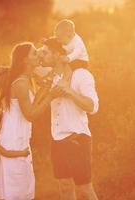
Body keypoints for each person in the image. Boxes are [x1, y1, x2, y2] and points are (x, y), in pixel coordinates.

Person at [0, 42, 60, 200]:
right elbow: (30, 115)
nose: (38, 55)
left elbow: (31, 103)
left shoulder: (25, 79)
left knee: (23, 186)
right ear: (25, 60)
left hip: (20, 137)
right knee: (15, 189)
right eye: (34, 53)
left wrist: (46, 88)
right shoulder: (21, 83)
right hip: (13, 139)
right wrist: (51, 97)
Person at [39, 38, 99, 200]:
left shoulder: (81, 75)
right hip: (57, 140)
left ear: (58, 55)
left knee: (84, 189)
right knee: (64, 187)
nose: (41, 55)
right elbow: (26, 65)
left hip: (77, 139)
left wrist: (69, 91)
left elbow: (92, 107)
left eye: (45, 52)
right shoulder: (50, 77)